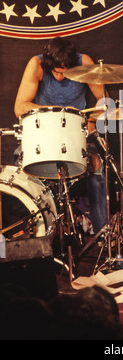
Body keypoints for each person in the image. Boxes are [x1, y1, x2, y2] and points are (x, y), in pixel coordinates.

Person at [14, 36, 107, 235]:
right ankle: (41, 232)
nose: (59, 77)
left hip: (77, 135)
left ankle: (102, 233)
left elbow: (103, 100)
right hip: (44, 135)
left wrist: (91, 123)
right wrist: (56, 110)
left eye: (65, 72)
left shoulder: (85, 63)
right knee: (19, 159)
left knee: (97, 166)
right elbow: (20, 107)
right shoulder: (36, 64)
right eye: (55, 72)